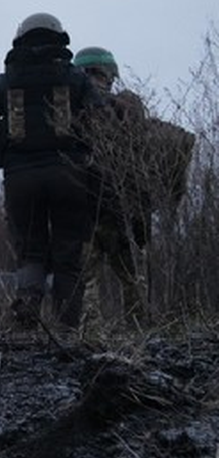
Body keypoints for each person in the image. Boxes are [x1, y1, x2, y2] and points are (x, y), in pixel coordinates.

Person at [0, 14, 105, 330]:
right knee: (68, 258)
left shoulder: (3, 82)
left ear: (20, 39)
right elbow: (104, 131)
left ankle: (26, 323)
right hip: (70, 177)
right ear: (58, 39)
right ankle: (66, 332)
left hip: (20, 179)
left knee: (31, 254)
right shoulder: (77, 79)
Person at [75, 46, 154, 324]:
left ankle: (91, 339)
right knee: (133, 279)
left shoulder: (73, 107)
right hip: (124, 210)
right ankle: (141, 334)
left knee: (86, 280)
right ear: (107, 74)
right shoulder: (130, 110)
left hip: (86, 206)